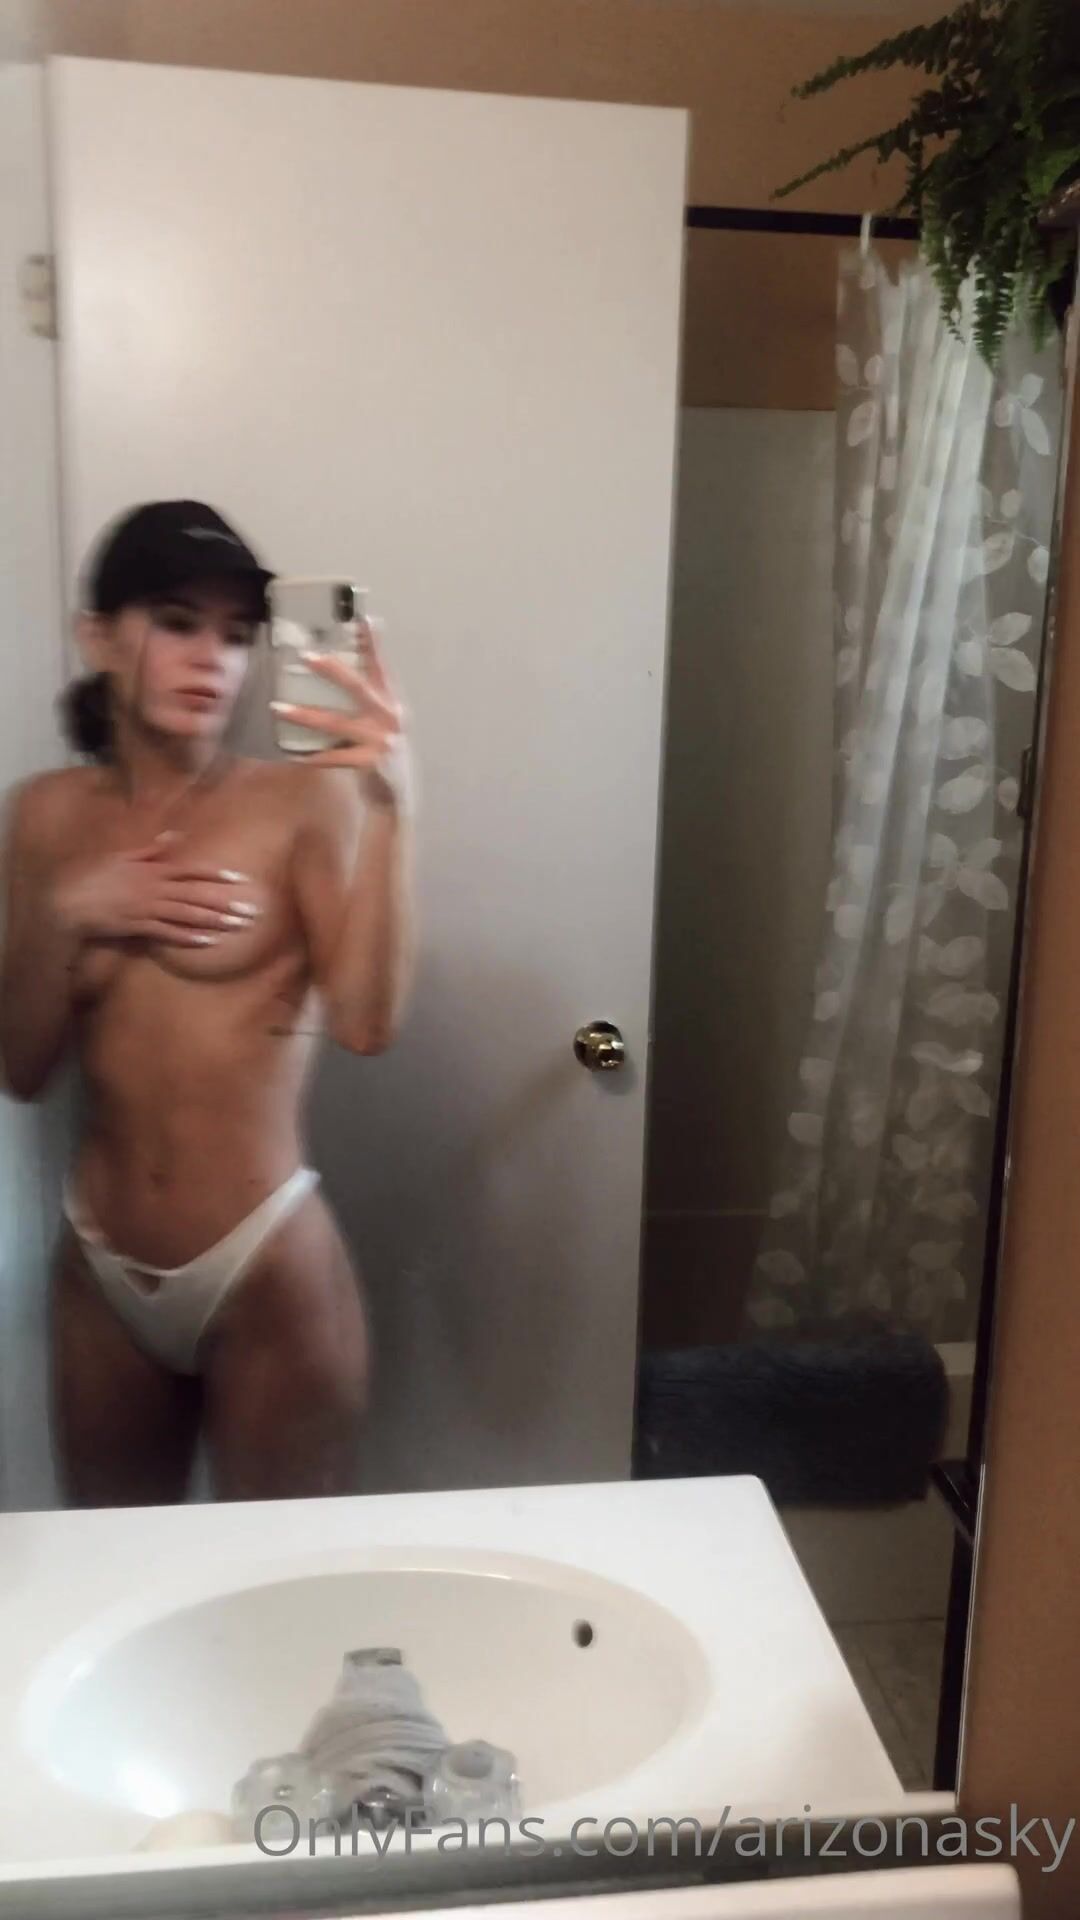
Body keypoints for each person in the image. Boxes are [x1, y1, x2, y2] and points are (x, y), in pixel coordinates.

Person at [0, 500, 413, 1506]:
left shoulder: (302, 803)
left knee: (279, 1578)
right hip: (98, 1268)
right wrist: (67, 915)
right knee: (115, 1567)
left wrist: (393, 808)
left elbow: (365, 1024)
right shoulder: (43, 816)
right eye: (177, 622)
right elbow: (21, 1067)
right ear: (99, 636)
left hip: (263, 1263)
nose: (213, 660)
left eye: (235, 635)